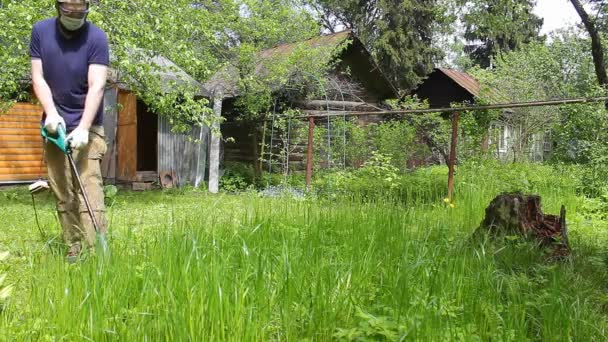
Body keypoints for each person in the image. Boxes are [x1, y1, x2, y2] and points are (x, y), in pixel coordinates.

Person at [29, 0, 109, 262]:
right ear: (58, 6)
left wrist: (84, 128)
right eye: (69, 9)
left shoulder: (97, 37)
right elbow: (38, 77)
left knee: (89, 192)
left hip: (88, 125)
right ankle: (74, 248)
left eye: (80, 9)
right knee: (63, 192)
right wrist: (51, 113)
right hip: (55, 128)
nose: (74, 14)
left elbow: (97, 84)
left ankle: (96, 252)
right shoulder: (41, 31)